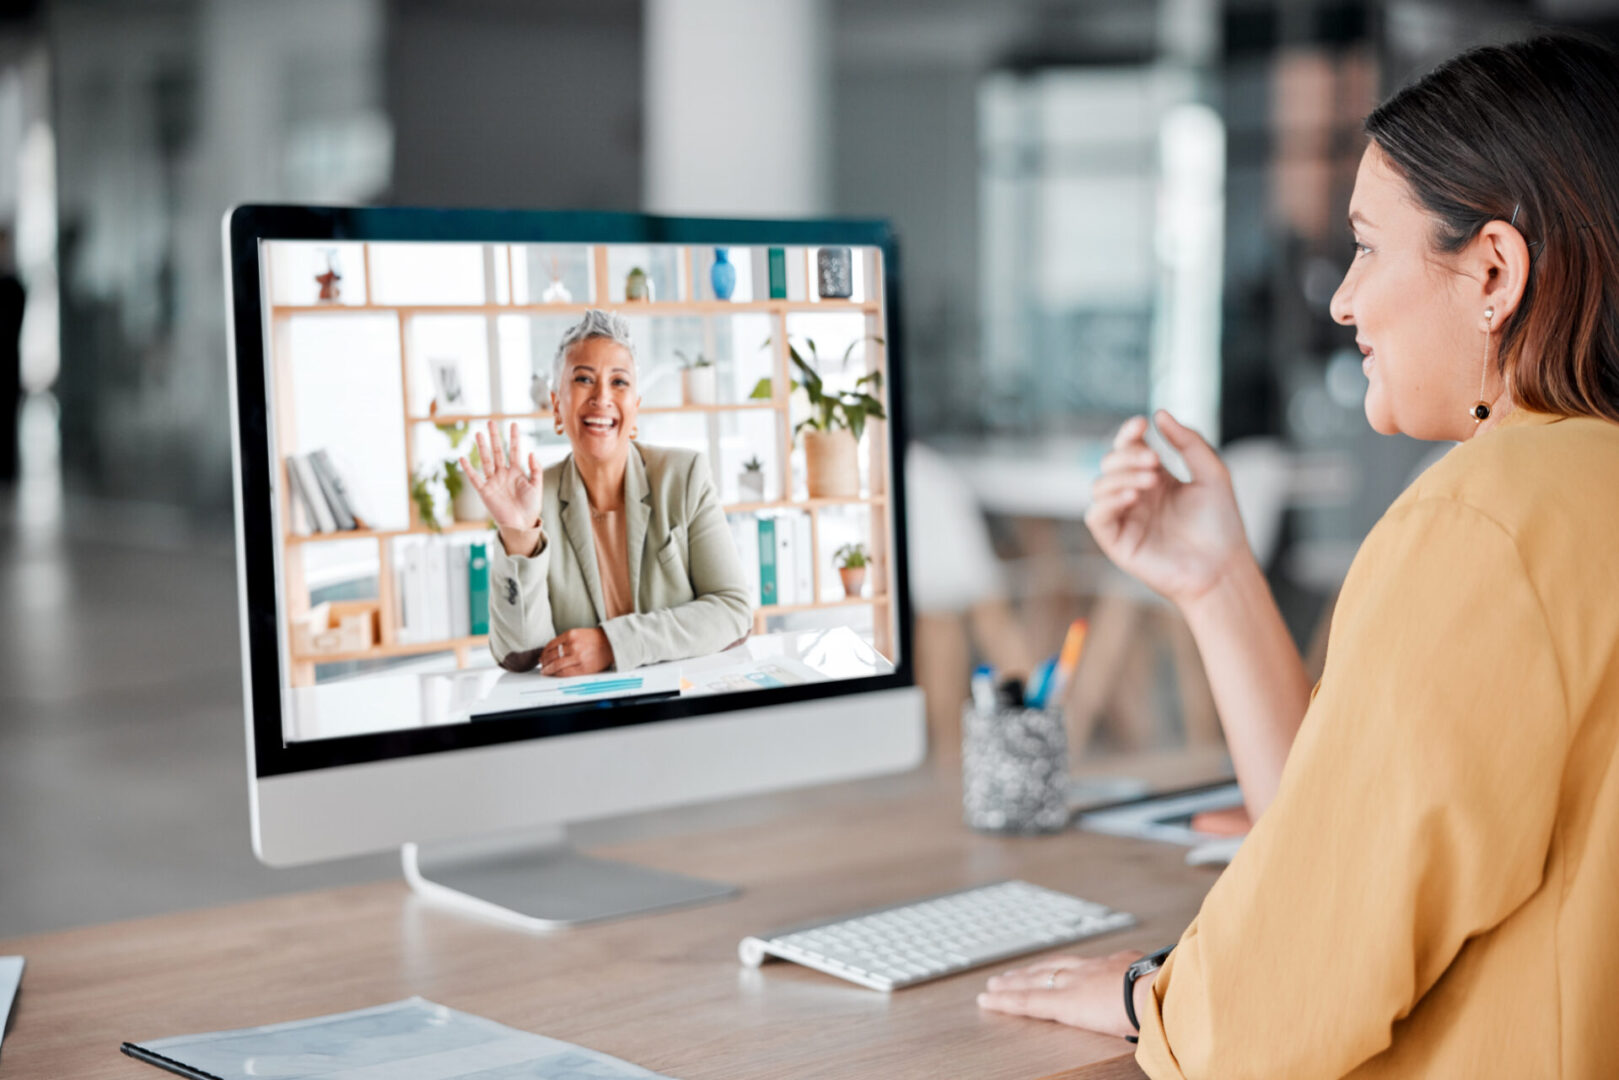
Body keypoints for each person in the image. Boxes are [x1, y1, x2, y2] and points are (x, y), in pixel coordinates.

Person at [977, 35, 1619, 1078]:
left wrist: (1152, 996)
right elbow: (1336, 863)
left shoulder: (1484, 526)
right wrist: (1218, 579)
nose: (1340, 300)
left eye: (1366, 247)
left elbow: (1280, 1007)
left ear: (1492, 270)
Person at [464, 310, 752, 675]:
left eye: (619, 382)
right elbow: (518, 655)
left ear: (635, 407)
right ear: (556, 406)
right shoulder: (534, 500)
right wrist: (518, 535)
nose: (602, 397)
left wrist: (612, 644)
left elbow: (733, 610)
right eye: (584, 379)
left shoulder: (684, 476)